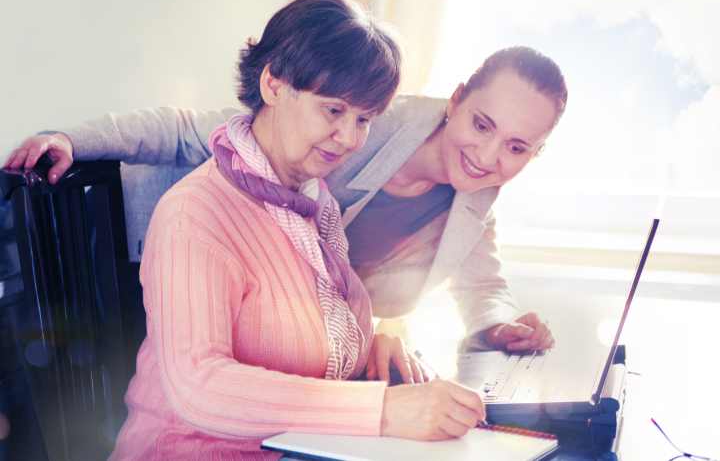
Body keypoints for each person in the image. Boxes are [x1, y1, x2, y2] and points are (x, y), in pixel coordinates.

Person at [17, 0, 490, 460]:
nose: (350, 138)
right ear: (273, 85)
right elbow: (200, 386)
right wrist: (383, 410)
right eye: (333, 110)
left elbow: (299, 344)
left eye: (364, 118)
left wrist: (372, 349)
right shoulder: (195, 213)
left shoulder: (313, 202)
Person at [6, 50, 564, 355]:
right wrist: (73, 140)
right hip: (152, 261)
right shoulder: (364, 119)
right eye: (482, 124)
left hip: (267, 328)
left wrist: (502, 327)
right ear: (457, 98)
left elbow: (483, 286)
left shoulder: (476, 196)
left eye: (516, 147)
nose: (488, 156)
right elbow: (183, 132)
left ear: (535, 153)